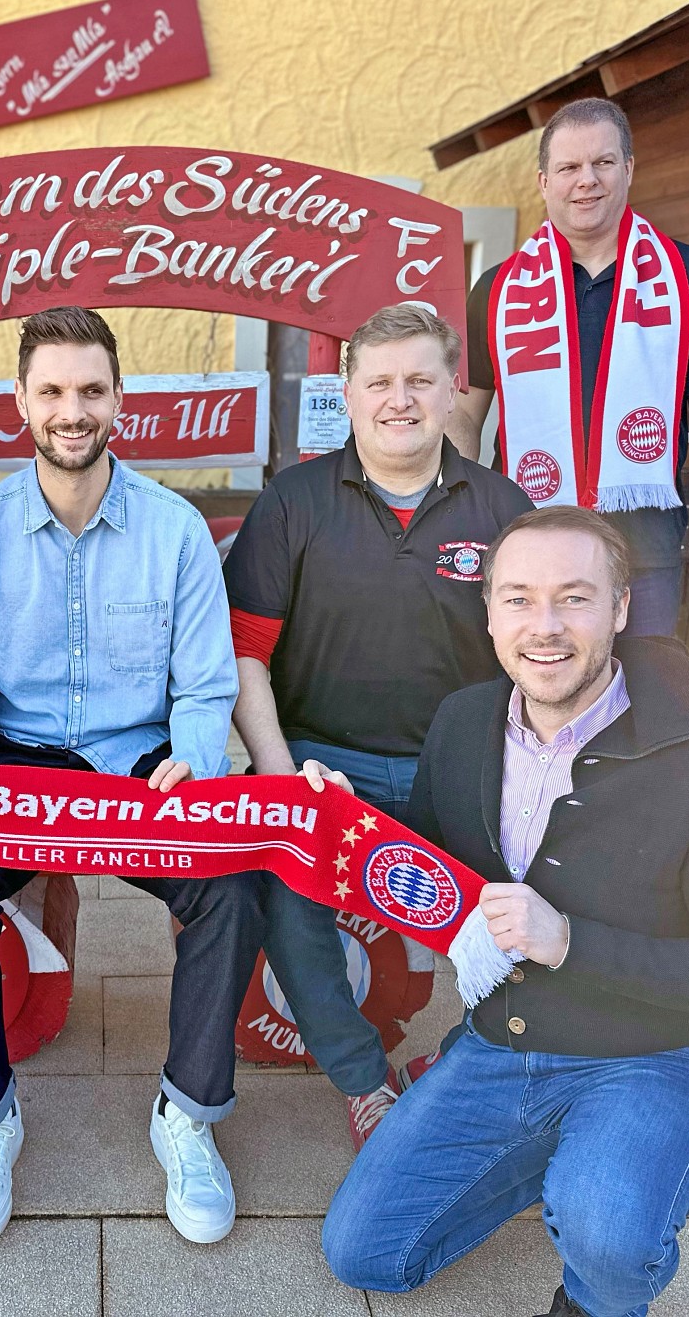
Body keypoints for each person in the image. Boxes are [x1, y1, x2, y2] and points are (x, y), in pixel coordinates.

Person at [319, 505, 689, 1317]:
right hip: (503, 1045)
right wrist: (342, 819)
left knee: (609, 1240)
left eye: (574, 598)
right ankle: (574, 1155)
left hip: (655, 1055)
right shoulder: (463, 722)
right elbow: (430, 860)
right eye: (519, 598)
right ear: (490, 612)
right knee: (364, 1252)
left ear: (620, 609)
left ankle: (600, 1237)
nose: (544, 627)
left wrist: (570, 940)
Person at [0, 306, 263, 1249]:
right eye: (54, 391)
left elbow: (205, 685)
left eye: (91, 390)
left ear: (119, 400)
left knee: (229, 887)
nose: (73, 410)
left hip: (137, 759)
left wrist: (197, 755)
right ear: (21, 403)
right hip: (17, 759)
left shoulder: (176, 531)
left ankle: (187, 1114)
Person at [225, 303, 533, 1150]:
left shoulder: (505, 507)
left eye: (420, 380)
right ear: (348, 393)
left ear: (453, 389)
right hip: (321, 764)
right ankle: (364, 1085)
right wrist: (281, 777)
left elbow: (534, 660)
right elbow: (245, 654)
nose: (401, 400)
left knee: (538, 905)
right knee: (286, 898)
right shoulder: (292, 501)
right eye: (381, 382)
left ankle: (457, 1067)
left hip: (462, 765)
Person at [450, 97, 689, 637]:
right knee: (532, 679)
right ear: (544, 182)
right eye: (569, 167)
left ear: (628, 169)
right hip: (525, 541)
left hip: (645, 551)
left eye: (603, 163)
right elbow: (463, 414)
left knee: (647, 684)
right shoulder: (498, 290)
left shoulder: (686, 276)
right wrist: (451, 521)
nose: (586, 180)